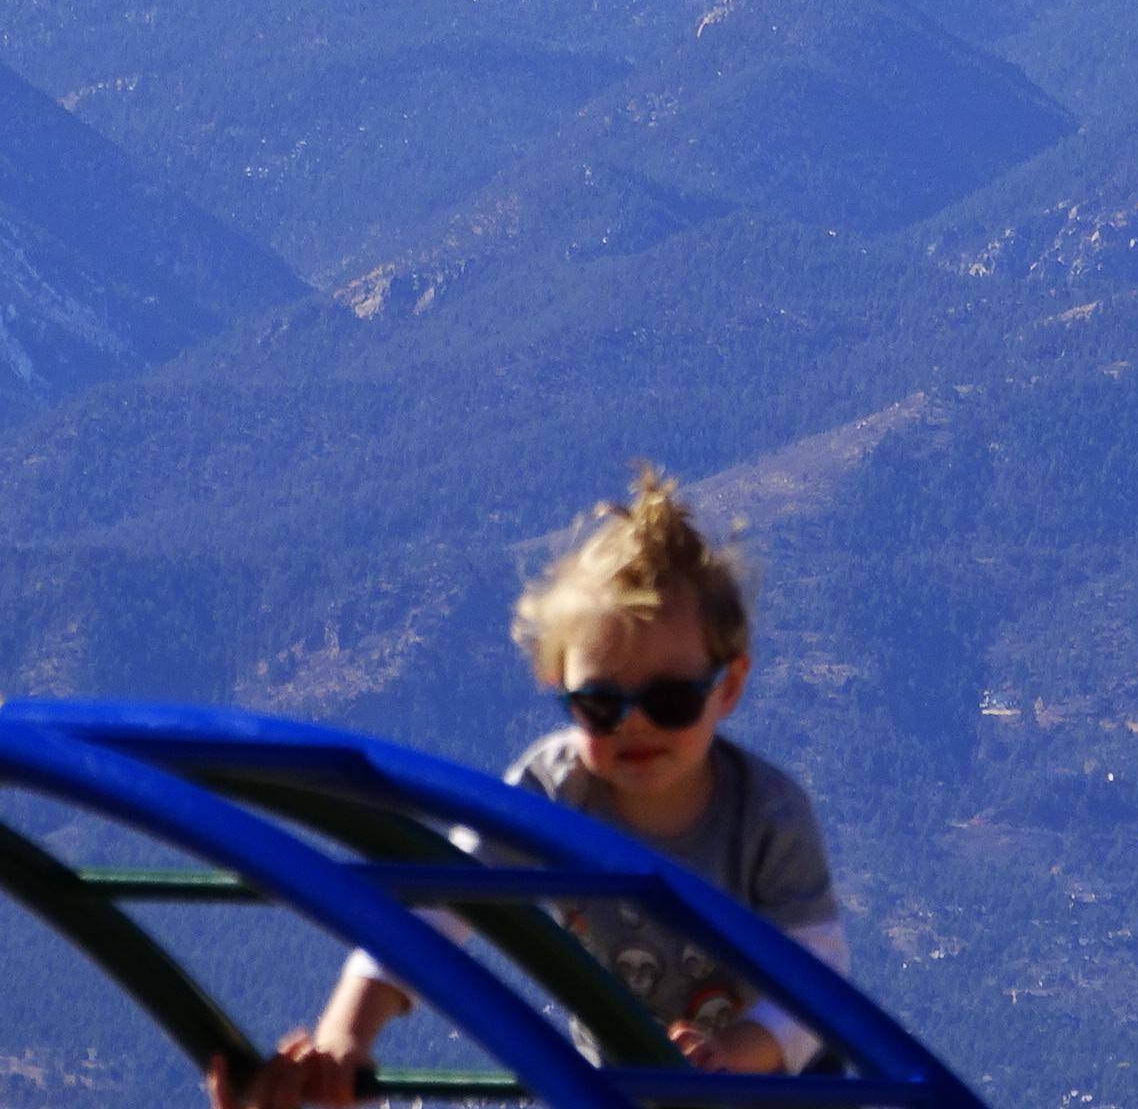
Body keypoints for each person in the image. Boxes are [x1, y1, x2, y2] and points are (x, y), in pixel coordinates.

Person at [210, 467, 849, 1109]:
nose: (636, 724)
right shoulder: (552, 790)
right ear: (558, 686)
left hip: (771, 1092)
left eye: (671, 699)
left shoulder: (766, 814)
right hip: (616, 1088)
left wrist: (737, 1054)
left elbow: (817, 973)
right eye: (602, 703)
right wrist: (347, 1035)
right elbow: (435, 900)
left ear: (728, 688)